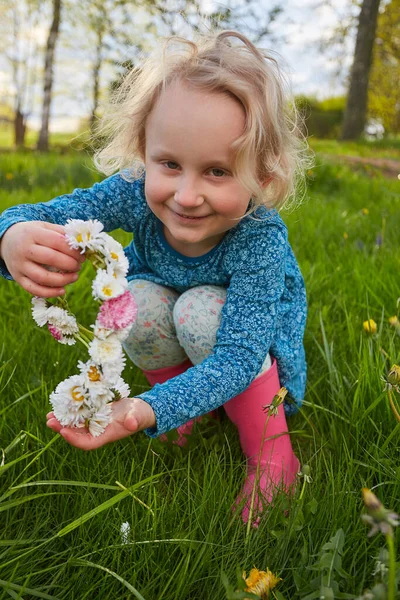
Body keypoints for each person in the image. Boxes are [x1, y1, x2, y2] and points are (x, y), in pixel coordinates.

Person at [0, 30, 311, 525]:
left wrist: (140, 409)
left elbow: (238, 355)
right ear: (144, 153)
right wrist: (12, 235)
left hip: (250, 362)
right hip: (177, 340)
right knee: (136, 301)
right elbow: (51, 214)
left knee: (200, 311)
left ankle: (271, 454)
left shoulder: (259, 238)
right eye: (169, 164)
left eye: (217, 171)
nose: (186, 195)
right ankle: (183, 418)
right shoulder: (138, 190)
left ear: (264, 178)